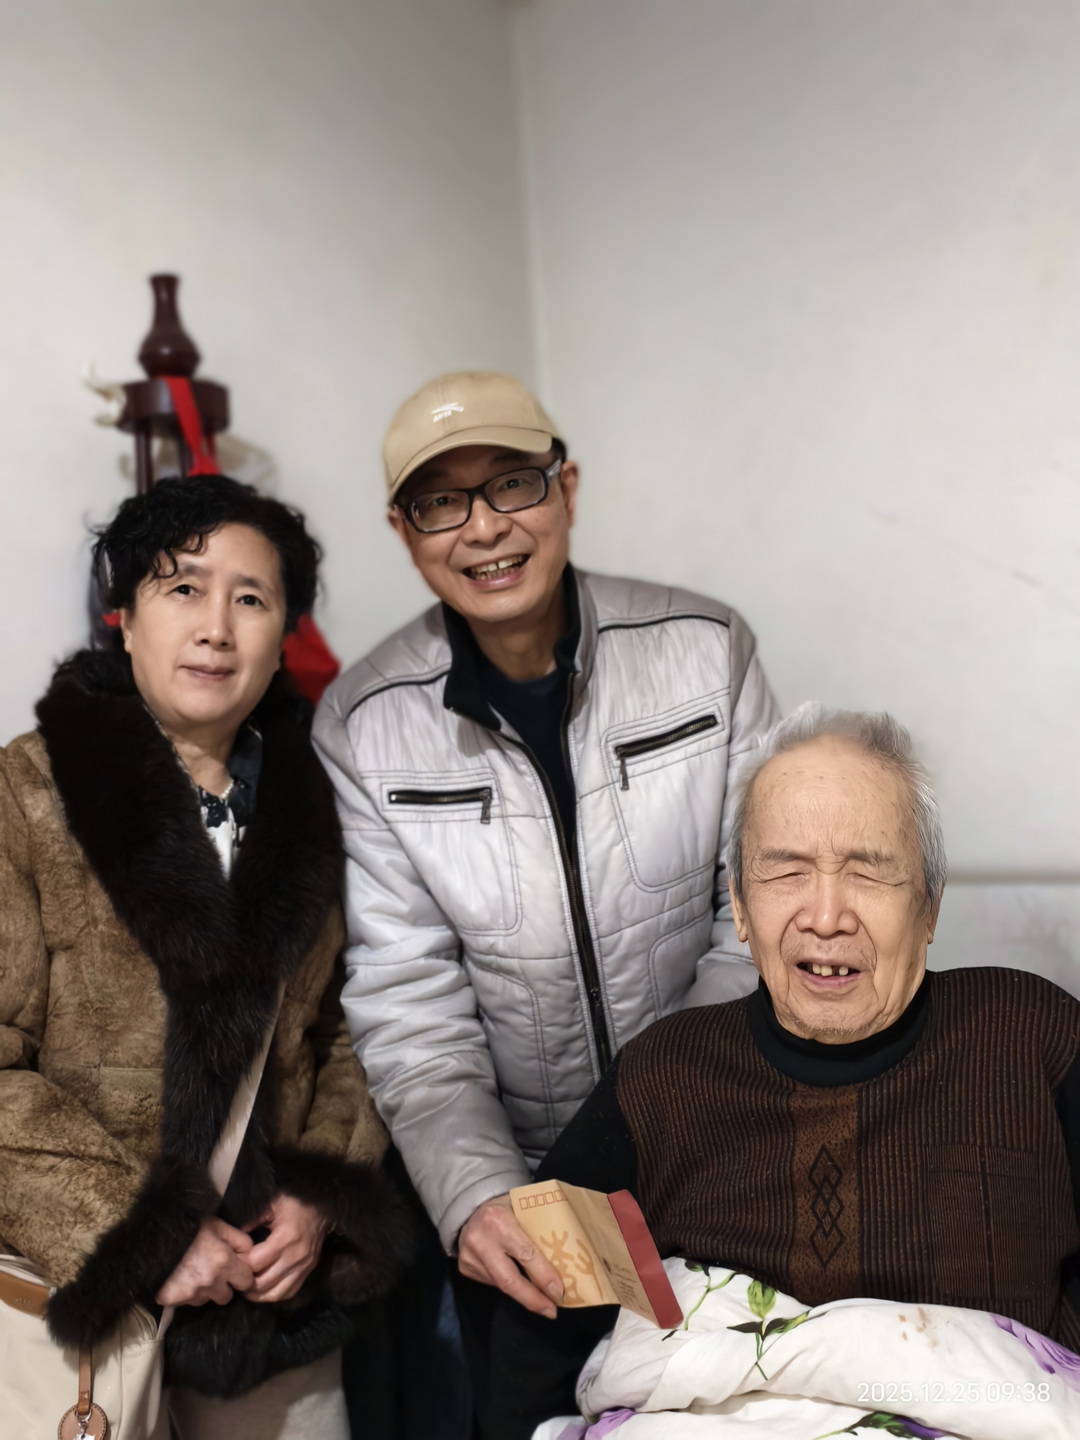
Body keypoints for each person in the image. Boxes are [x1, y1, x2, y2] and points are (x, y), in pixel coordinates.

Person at [313, 371, 779, 1417]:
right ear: (403, 532)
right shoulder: (364, 723)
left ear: (565, 486)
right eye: (441, 502)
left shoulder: (705, 650)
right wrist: (479, 1196)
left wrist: (675, 1127)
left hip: (728, 1140)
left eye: (512, 483)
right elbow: (408, 1004)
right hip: (528, 1197)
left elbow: (757, 916)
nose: (484, 528)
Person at [488, 703, 1080, 1438]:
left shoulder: (1033, 1038)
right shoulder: (661, 1078)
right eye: (787, 872)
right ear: (739, 907)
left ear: (929, 907)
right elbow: (541, 1316)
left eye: (868, 872)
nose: (826, 916)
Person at [0, 475, 411, 1439]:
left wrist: (319, 1194)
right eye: (183, 587)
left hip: (271, 1307)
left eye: (251, 598)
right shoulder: (23, 795)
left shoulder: (324, 803)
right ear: (124, 616)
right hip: (85, 1304)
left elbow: (350, 1022)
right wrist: (141, 1234)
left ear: (283, 634)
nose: (216, 628)